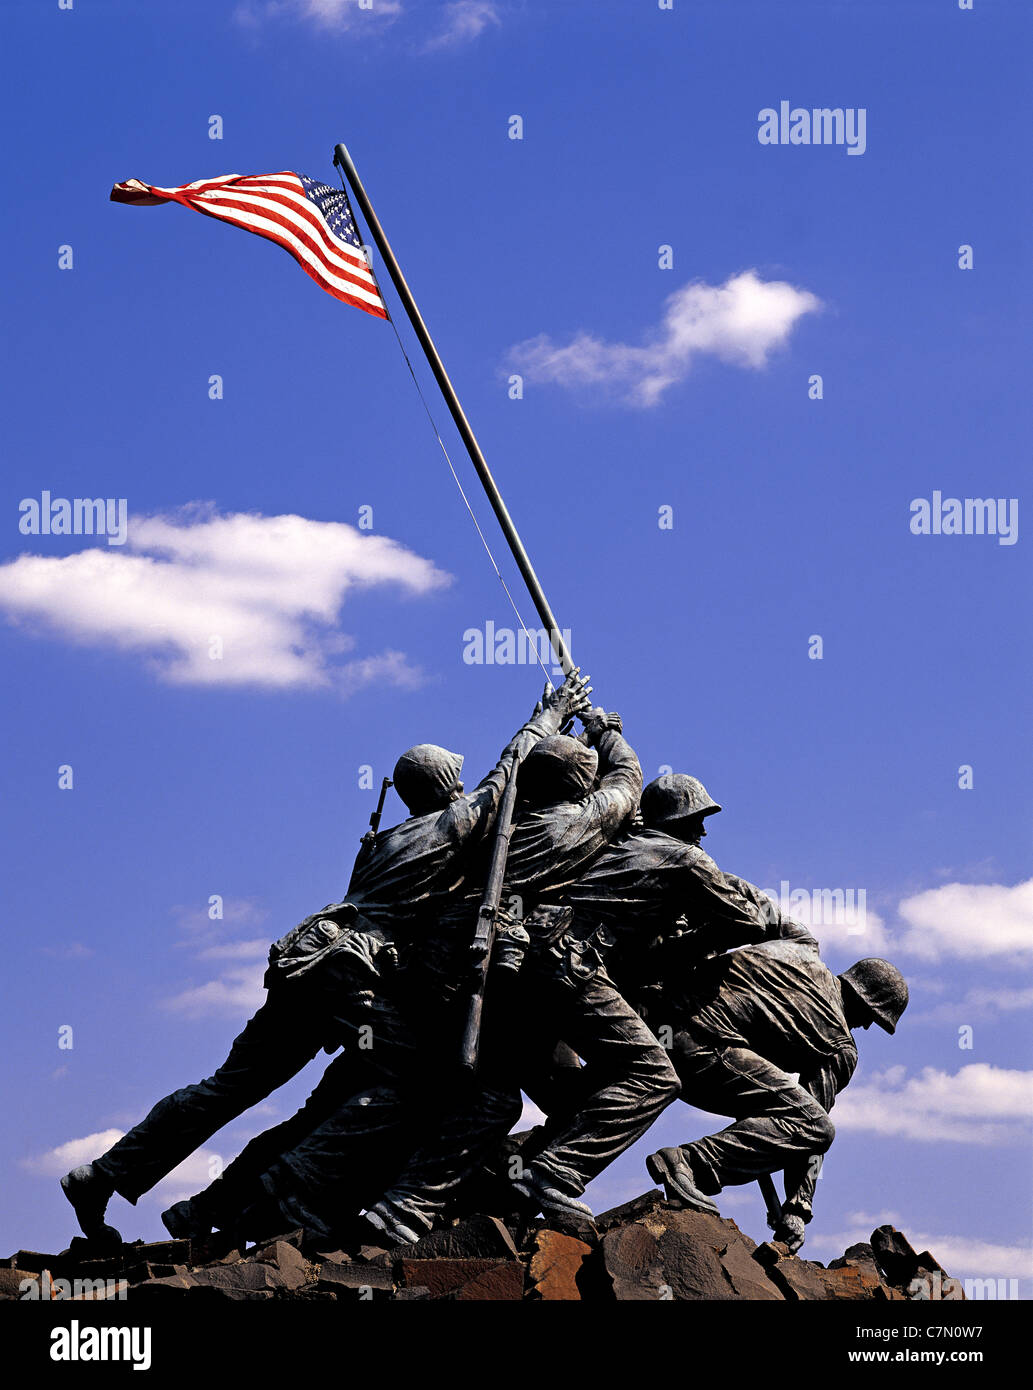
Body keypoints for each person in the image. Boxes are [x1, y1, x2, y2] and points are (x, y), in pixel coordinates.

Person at [60, 673, 590, 1240]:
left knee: (228, 1088)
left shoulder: (387, 839)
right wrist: (552, 713)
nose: (466, 789)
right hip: (346, 972)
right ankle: (294, 1193)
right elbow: (506, 775)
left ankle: (103, 1174)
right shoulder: (445, 830)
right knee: (418, 1078)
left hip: (306, 962)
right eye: (457, 781)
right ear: (446, 787)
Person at [644, 916, 908, 1253]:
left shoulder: (801, 942)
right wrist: (798, 1207)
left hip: (653, 1017)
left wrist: (681, 931)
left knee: (778, 1107)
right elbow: (809, 1128)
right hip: (698, 1049)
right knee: (817, 1126)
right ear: (866, 1003)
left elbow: (738, 914)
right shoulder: (840, 1046)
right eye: (874, 1019)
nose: (868, 1027)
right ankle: (689, 1164)